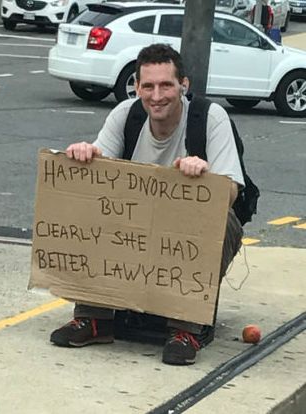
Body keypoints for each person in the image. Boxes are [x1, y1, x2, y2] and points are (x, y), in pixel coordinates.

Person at [50, 43, 244, 366]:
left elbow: (233, 192)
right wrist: (84, 155)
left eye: (166, 85)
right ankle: (93, 316)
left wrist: (207, 178)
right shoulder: (126, 115)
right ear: (137, 87)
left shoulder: (211, 118)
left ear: (184, 85)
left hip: (193, 221)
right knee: (93, 207)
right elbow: (99, 167)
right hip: (140, 221)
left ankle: (184, 327)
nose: (157, 95)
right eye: (149, 86)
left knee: (221, 220)